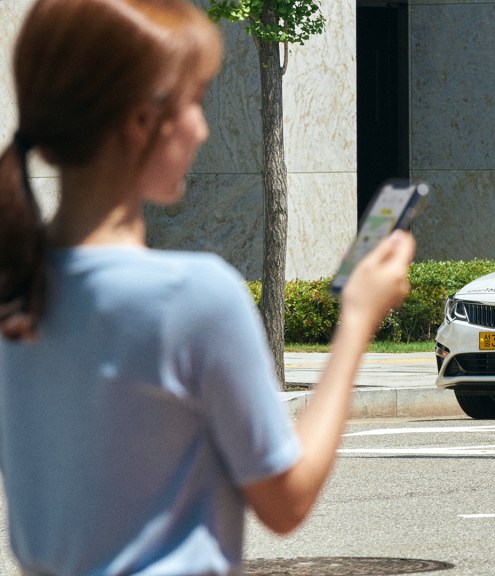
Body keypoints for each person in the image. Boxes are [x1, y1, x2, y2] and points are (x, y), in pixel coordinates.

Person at [0, 0, 416, 573]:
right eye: (195, 99)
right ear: (141, 121)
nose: (204, 127)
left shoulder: (14, 293)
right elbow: (286, 501)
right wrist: (357, 320)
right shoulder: (193, 299)